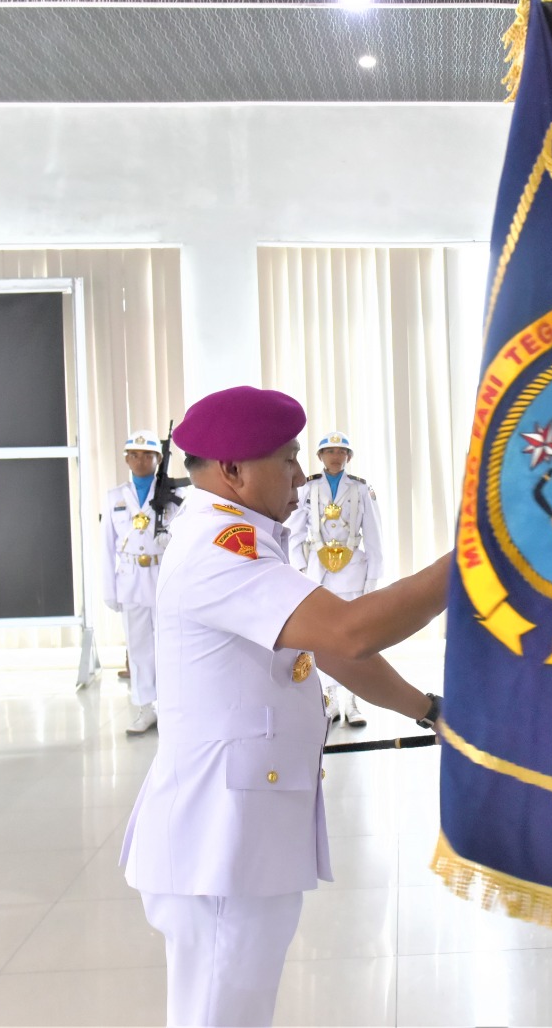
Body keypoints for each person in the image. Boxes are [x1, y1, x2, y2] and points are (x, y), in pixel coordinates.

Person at [121, 386, 448, 1028]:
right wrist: (472, 561)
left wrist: (428, 708)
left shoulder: (244, 537)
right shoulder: (220, 548)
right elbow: (350, 632)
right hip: (218, 847)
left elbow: (327, 650)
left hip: (241, 836)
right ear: (233, 470)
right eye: (289, 460)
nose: (301, 476)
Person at [286, 431, 386, 727]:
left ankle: (352, 701)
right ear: (320, 456)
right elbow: (295, 529)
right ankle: (328, 698)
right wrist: (299, 567)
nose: (335, 457)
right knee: (322, 637)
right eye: (330, 451)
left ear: (349, 457)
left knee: (354, 637)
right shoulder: (308, 487)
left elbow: (374, 534)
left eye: (341, 452)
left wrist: (373, 578)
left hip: (352, 570)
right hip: (318, 573)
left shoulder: (360, 488)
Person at [102, 429, 184, 735]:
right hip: (130, 579)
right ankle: (144, 706)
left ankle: (170, 707)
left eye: (147, 455)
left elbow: (185, 540)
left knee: (169, 644)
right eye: (134, 455)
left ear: (158, 459)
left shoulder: (174, 495)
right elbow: (106, 548)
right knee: (138, 647)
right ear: (126, 459)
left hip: (163, 578)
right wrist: (109, 590)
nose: (140, 461)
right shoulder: (115, 497)